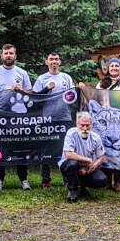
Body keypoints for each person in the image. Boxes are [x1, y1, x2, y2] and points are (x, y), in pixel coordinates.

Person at [0, 44, 32, 191]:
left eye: (11, 53)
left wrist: (21, 90)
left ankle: (23, 179)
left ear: (15, 56)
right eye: (6, 53)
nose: (8, 55)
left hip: (18, 118)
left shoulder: (22, 73)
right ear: (2, 56)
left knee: (20, 146)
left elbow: (30, 94)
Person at [33, 51, 75, 189]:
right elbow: (36, 98)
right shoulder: (42, 78)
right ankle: (46, 180)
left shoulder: (66, 77)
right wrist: (47, 88)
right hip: (47, 119)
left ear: (60, 62)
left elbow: (73, 96)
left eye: (56, 59)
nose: (54, 62)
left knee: (65, 148)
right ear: (47, 62)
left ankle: (67, 179)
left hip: (64, 118)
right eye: (51, 59)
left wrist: (79, 89)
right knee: (45, 149)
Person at [95, 57, 120, 192]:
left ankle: (119, 180)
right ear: (108, 68)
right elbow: (96, 97)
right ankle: (106, 179)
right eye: (112, 66)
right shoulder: (101, 84)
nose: (114, 68)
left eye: (116, 66)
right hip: (106, 122)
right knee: (106, 150)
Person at [60, 112, 107, 202]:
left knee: (101, 180)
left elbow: (101, 157)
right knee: (72, 164)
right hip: (71, 165)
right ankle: (72, 190)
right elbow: (68, 154)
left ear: (91, 125)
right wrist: (88, 160)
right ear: (77, 124)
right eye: (82, 125)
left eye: (87, 125)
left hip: (87, 167)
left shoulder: (96, 137)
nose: (85, 128)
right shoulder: (71, 133)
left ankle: (82, 187)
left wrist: (93, 166)